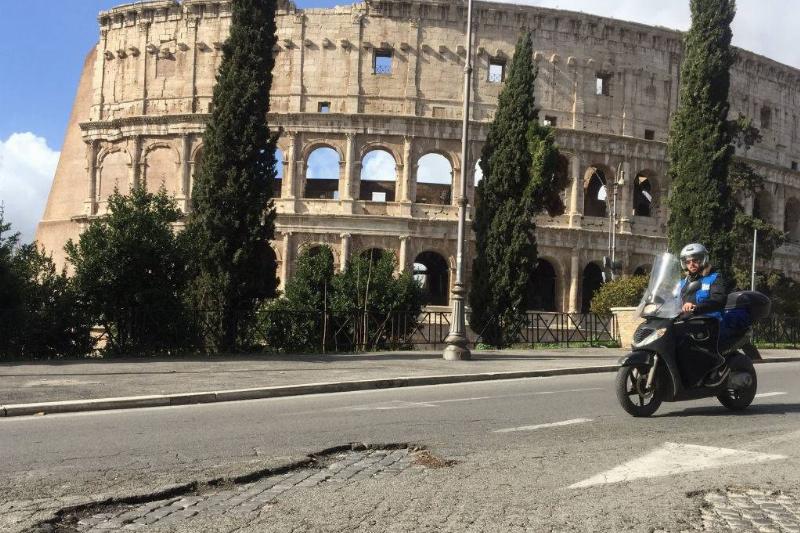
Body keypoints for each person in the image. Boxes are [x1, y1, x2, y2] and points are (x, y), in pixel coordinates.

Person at [677, 243, 727, 386]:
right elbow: (671, 298)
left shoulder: (714, 278)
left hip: (709, 321)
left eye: (695, 260)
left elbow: (719, 299)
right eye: (688, 261)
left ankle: (714, 369)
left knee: (694, 345)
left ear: (703, 260)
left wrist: (697, 307)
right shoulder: (682, 283)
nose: (691, 264)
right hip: (687, 321)